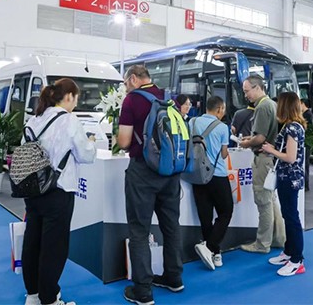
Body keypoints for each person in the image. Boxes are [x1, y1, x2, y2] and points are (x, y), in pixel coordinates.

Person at [22, 78, 97, 305]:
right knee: (54, 247)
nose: (76, 102)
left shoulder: (34, 119)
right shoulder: (69, 120)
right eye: (76, 98)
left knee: (33, 241)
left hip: (32, 189)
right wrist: (91, 142)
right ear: (69, 97)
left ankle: (33, 295)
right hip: (58, 190)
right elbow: (86, 155)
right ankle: (50, 299)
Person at [117, 65, 183, 305]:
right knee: (171, 226)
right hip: (170, 171)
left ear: (133, 78)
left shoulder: (132, 101)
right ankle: (174, 278)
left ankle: (143, 291)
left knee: (139, 230)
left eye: (126, 83)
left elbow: (124, 142)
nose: (125, 88)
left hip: (143, 171)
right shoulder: (168, 98)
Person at [261, 92, 306, 276]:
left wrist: (271, 150)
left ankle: (297, 259)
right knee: (288, 215)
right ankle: (289, 252)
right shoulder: (292, 126)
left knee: (292, 217)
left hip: (289, 178)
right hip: (286, 177)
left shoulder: (292, 128)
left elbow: (290, 157)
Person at [239, 75, 285, 254]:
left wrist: (247, 143)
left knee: (263, 202)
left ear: (257, 88)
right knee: (271, 200)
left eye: (247, 91)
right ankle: (278, 238)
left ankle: (262, 244)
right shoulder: (272, 105)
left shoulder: (262, 106)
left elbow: (260, 138)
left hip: (263, 159)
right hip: (269, 159)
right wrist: (253, 139)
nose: (246, 95)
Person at [191, 96, 233, 271]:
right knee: (226, 210)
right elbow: (224, 154)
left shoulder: (192, 122)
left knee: (205, 215)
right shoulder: (223, 127)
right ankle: (210, 247)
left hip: (196, 174)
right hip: (217, 174)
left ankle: (214, 252)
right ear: (220, 109)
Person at [300, 99, 313, 191]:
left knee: (305, 163)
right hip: (306, 142)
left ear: (302, 104)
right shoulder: (306, 114)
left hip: (307, 142)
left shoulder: (307, 115)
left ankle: (306, 184)